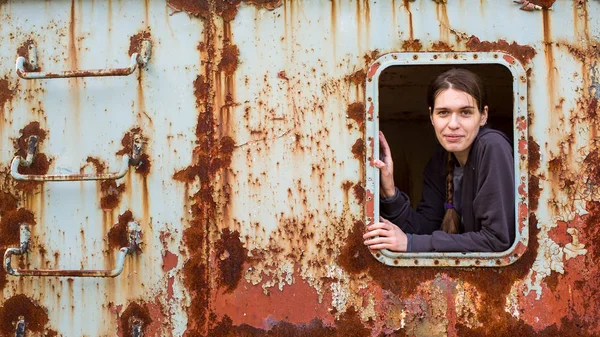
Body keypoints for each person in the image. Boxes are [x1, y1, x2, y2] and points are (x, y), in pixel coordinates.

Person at [363, 68, 515, 252]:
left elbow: (496, 240)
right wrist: (390, 193)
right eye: (443, 113)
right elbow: (425, 229)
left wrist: (411, 244)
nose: (452, 124)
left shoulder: (492, 147)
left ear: (483, 116)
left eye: (465, 112)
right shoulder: (441, 159)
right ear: (431, 116)